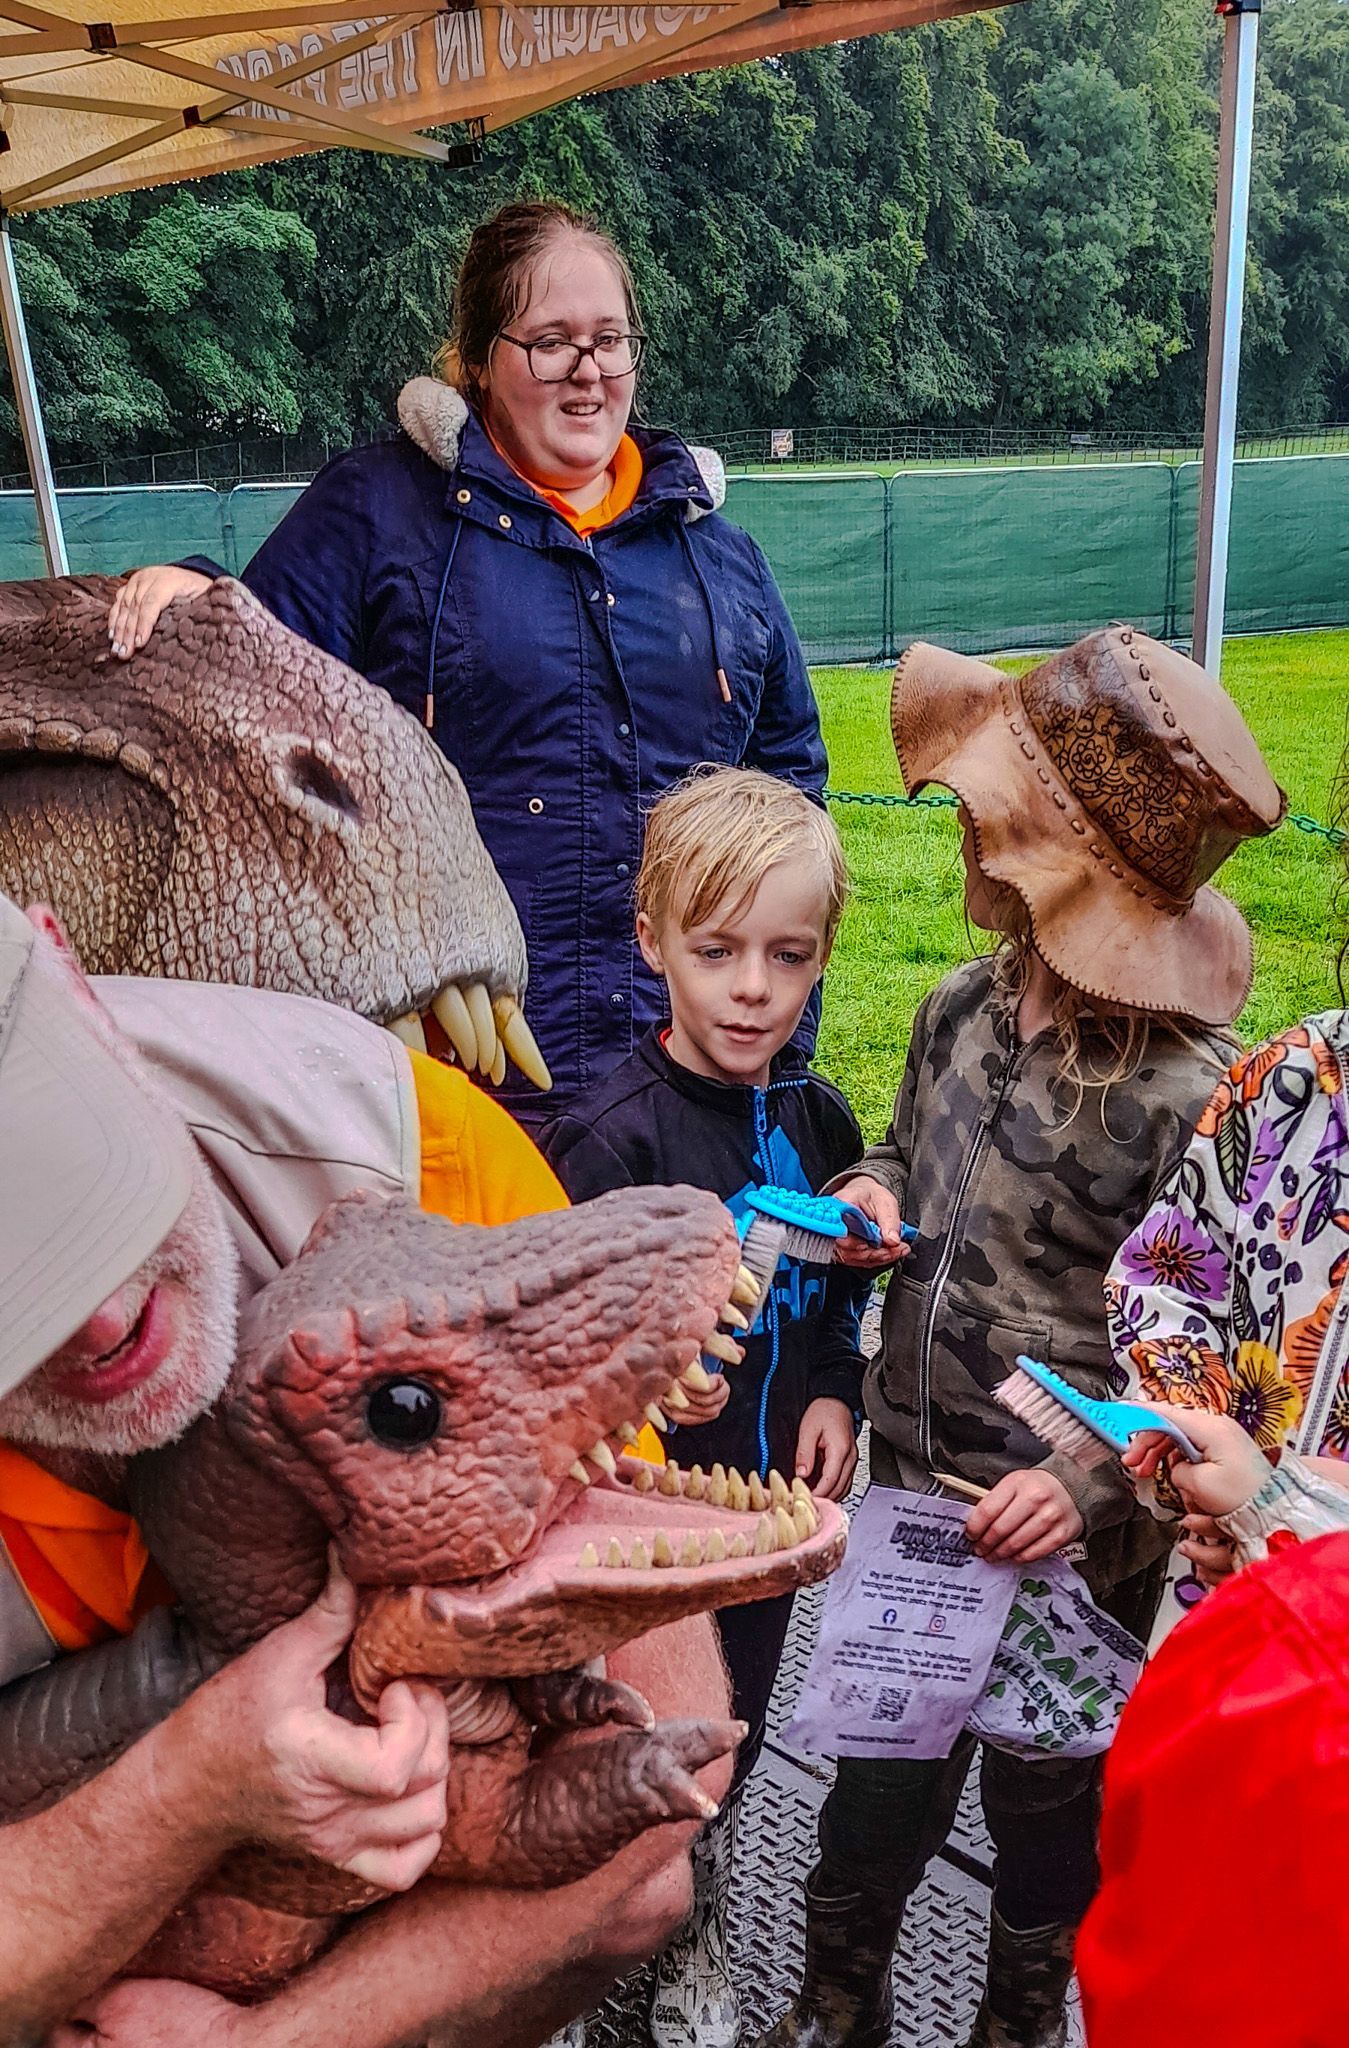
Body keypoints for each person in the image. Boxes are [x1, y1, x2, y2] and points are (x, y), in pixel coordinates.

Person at [0, 895, 732, 2047]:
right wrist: (185, 1784)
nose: (99, 1317)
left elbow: (662, 1791)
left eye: (81, 1179)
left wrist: (278, 2039)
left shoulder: (392, 1129)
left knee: (636, 1884)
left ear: (70, 982)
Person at [753, 626, 1286, 2048]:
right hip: (911, 1517)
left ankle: (1016, 2026)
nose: (966, 833)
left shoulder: (1190, 1098)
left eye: (991, 816)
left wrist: (1089, 1486)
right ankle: (836, 2008)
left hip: (1071, 1559)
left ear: (1059, 867)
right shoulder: (956, 1007)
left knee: (1048, 1830)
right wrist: (868, 1189)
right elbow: (896, 1150)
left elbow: (1215, 1371)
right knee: (870, 1805)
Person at [103, 199, 828, 1128]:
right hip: (460, 1082)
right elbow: (259, 685)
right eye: (550, 343)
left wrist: (782, 1053)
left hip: (687, 1087)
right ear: (480, 360)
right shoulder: (378, 513)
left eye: (610, 341)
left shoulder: (719, 558)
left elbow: (792, 801)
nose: (587, 371)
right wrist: (203, 595)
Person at [540, 766, 869, 2048]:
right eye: (715, 949)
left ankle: (698, 1911)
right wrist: (646, 1382)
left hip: (766, 1517)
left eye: (786, 956)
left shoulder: (821, 1119)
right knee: (608, 1725)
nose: (751, 989)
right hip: (636, 1531)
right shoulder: (606, 1139)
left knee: (732, 1723)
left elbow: (842, 1284)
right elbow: (553, 1346)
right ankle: (574, 1942)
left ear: (822, 955)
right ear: (651, 941)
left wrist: (835, 1383)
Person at [1106, 997, 1349, 1610]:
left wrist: (1288, 1518)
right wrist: (1192, 1451)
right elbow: (1166, 1275)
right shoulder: (1291, 1078)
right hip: (1223, 1590)